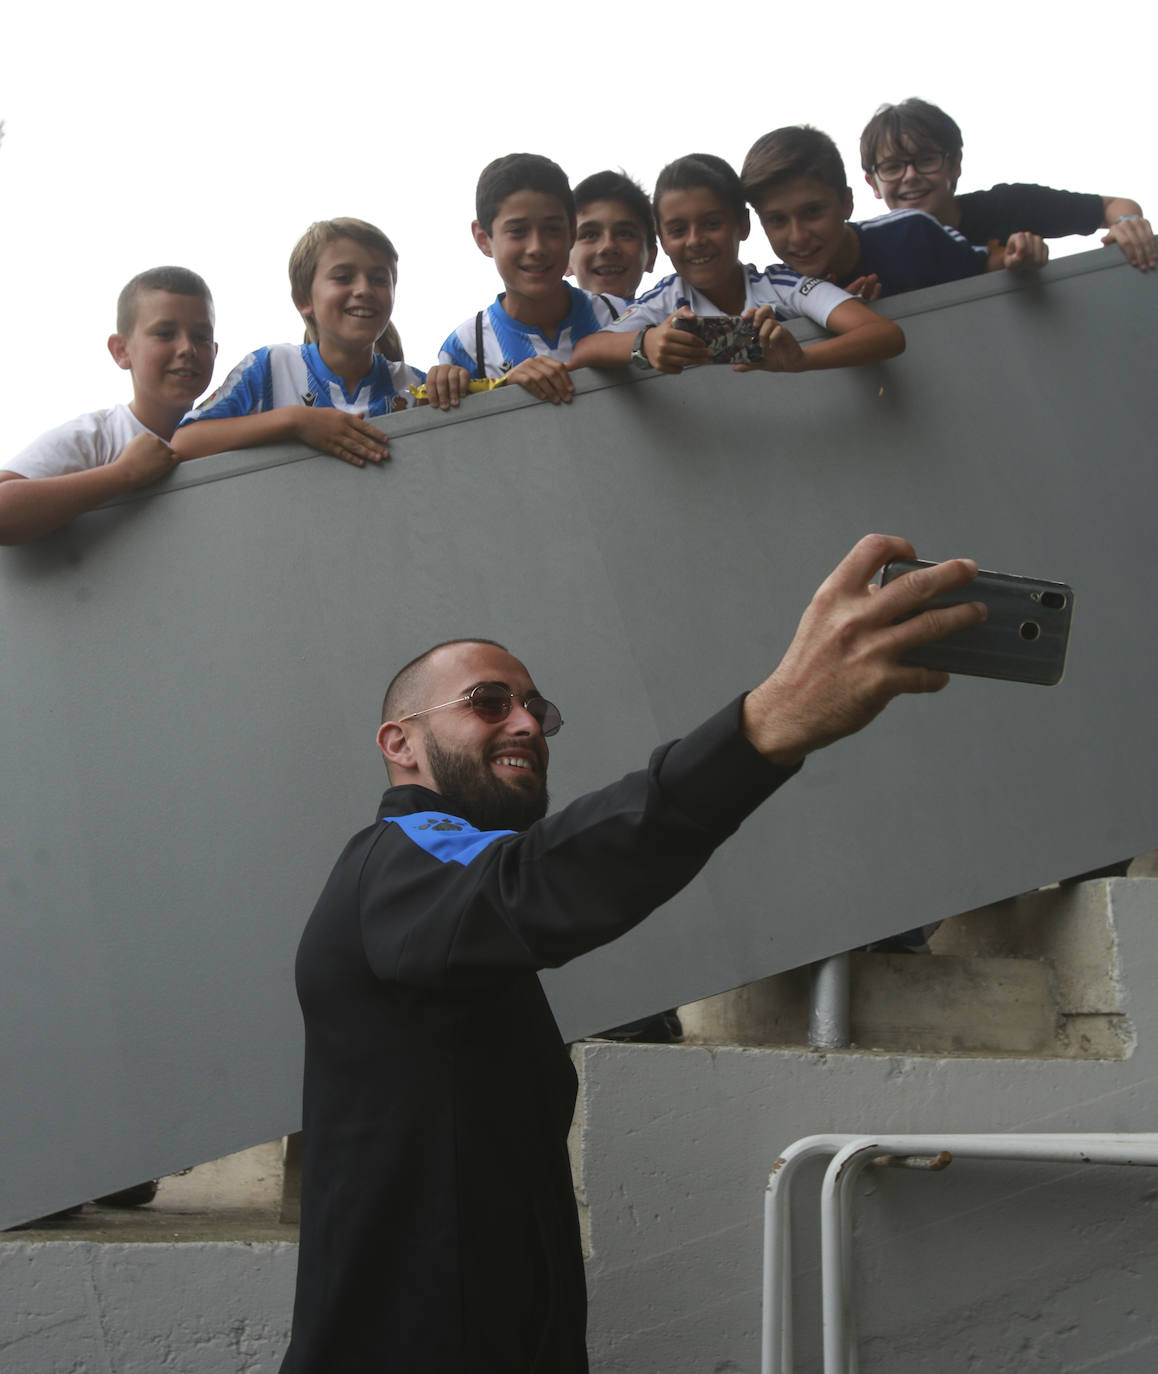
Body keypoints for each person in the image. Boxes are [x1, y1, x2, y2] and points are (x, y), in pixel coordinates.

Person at [279, 534, 986, 1373]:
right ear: (400, 744)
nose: (527, 723)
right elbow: (539, 883)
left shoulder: (438, 893)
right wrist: (764, 726)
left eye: (537, 708)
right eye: (489, 701)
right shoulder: (401, 859)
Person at [569, 153, 905, 376]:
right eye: (677, 230)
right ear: (662, 238)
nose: (695, 240)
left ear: (743, 225)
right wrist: (648, 343)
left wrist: (801, 360)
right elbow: (586, 349)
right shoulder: (665, 301)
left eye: (712, 224)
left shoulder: (782, 286)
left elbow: (885, 334)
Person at [170, 218, 426, 468]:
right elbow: (184, 442)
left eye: (380, 279)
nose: (364, 289)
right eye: (344, 277)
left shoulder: (413, 386)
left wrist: (451, 381)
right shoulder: (269, 368)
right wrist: (294, 421)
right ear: (304, 298)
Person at [0, 266, 216, 545]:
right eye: (165, 333)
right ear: (121, 351)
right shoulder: (97, 438)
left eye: (202, 336)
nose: (187, 348)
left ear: (216, 350)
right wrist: (123, 473)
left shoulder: (229, 430)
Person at [860, 98, 1156, 273]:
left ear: (955, 164)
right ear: (872, 183)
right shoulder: (868, 250)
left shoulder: (1005, 207)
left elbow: (1113, 206)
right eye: (893, 167)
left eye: (925, 160)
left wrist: (1128, 224)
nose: (910, 176)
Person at [426, 154, 621, 410]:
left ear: (572, 231)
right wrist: (503, 390)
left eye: (552, 229)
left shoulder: (621, 315)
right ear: (483, 238)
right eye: (518, 231)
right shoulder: (466, 348)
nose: (536, 248)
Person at [741, 125, 1020, 301]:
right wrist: (826, 312)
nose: (798, 236)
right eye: (777, 220)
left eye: (813, 212)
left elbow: (983, 265)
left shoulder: (911, 233)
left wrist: (1021, 255)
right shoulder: (774, 291)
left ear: (847, 202)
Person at [568, 170, 657, 304]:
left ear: (651, 257)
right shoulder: (536, 323)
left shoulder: (681, 321)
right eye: (590, 235)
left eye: (624, 234)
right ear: (564, 260)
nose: (608, 246)